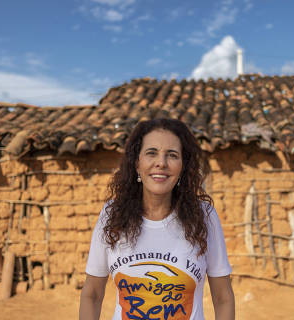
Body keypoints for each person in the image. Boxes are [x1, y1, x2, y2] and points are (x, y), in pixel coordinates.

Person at [79, 118, 235, 320]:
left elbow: (223, 297)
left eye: (172, 155)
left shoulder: (204, 217)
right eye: (151, 153)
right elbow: (92, 293)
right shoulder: (112, 215)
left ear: (183, 167)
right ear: (137, 163)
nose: (161, 162)